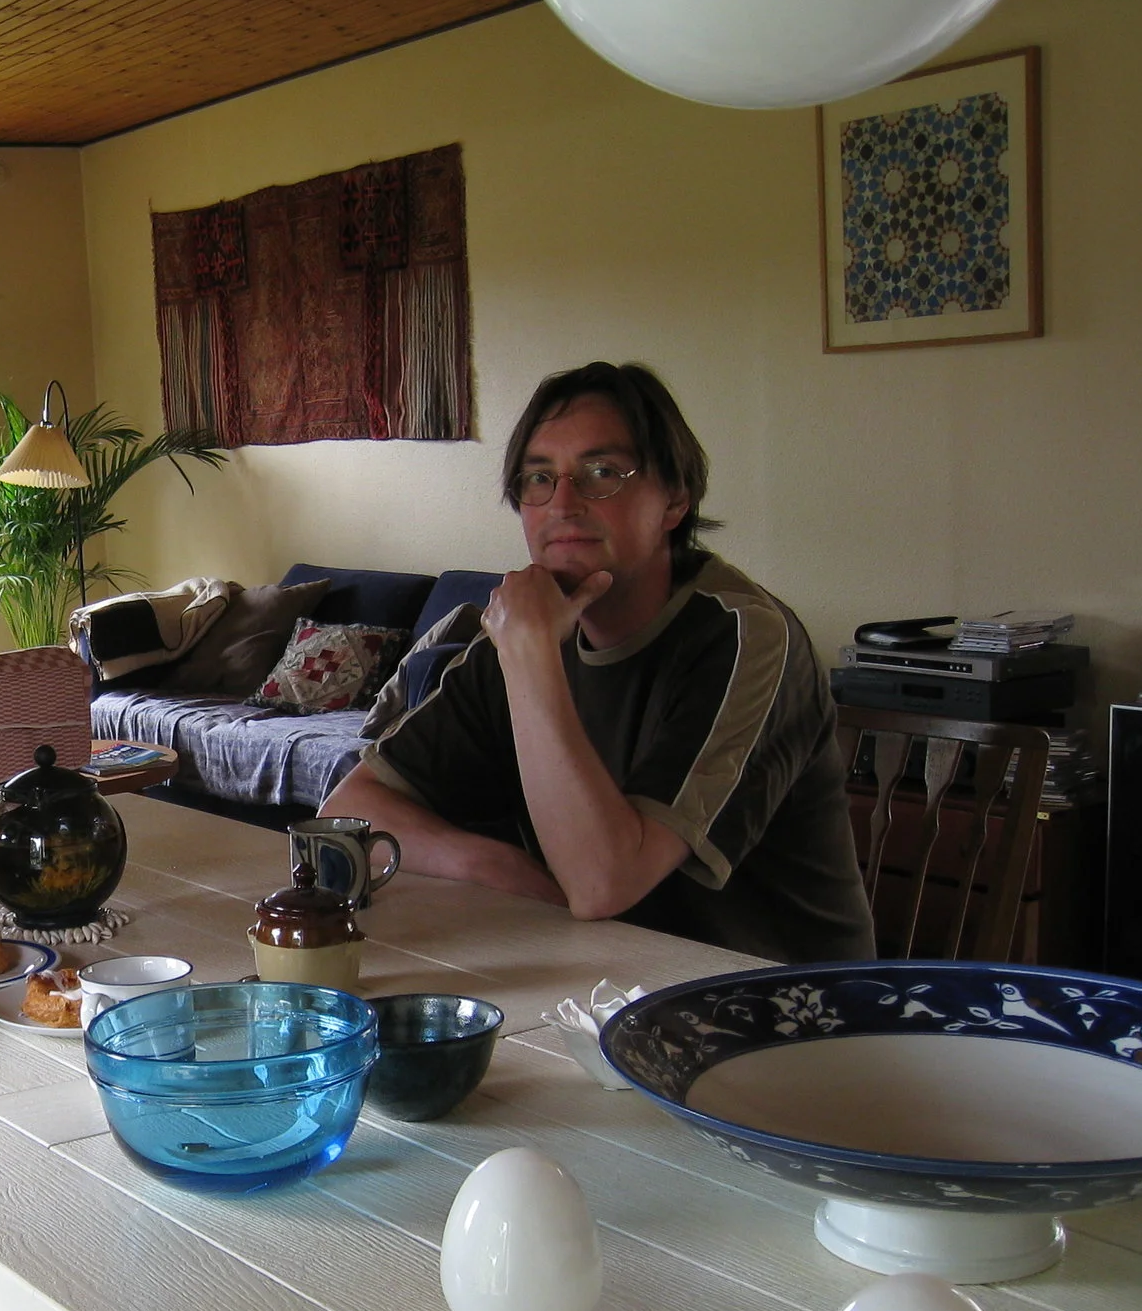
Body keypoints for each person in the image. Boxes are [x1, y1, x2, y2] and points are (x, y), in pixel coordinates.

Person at [323, 362, 874, 963]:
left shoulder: (743, 635)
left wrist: (532, 659)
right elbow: (351, 809)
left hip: (778, 1008)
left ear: (674, 501)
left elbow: (602, 883)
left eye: (602, 472)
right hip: (602, 976)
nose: (563, 502)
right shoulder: (525, 631)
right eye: (539, 477)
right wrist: (493, 864)